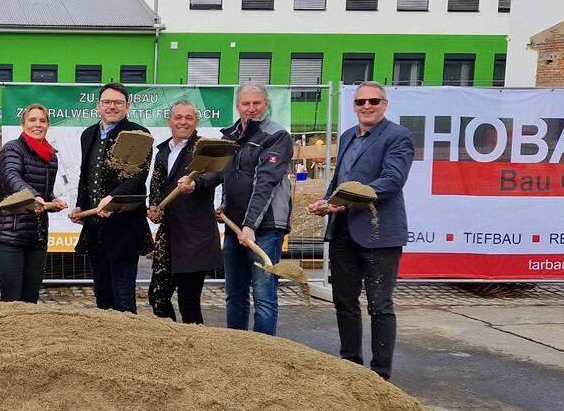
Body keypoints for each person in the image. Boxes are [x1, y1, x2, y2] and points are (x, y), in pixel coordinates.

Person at [309, 81, 414, 380]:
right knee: (344, 301)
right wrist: (327, 201)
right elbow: (341, 179)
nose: (366, 106)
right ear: (353, 105)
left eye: (373, 101)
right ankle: (351, 367)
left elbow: (392, 181)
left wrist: (344, 201)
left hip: (379, 233)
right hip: (343, 232)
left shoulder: (398, 136)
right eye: (360, 102)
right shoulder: (347, 137)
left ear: (385, 104)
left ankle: (380, 375)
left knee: (379, 305)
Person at [207, 82, 292, 335]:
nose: (251, 109)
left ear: (266, 105)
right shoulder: (230, 136)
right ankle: (237, 348)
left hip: (263, 228)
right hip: (236, 227)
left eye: (257, 103)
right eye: (246, 103)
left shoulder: (276, 136)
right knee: (235, 294)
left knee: (264, 296)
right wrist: (211, 193)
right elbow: (224, 174)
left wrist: (250, 225)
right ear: (238, 106)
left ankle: (264, 353)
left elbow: (264, 182)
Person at [69, 82, 152, 313]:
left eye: (117, 102)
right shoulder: (88, 134)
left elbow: (138, 177)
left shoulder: (138, 134)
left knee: (123, 298)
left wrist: (113, 198)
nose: (111, 106)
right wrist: (80, 206)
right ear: (98, 106)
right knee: (102, 296)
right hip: (96, 228)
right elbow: (86, 175)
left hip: (124, 229)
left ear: (127, 106)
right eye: (106, 102)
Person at [146, 101, 220, 324]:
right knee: (157, 297)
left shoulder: (204, 148)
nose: (183, 122)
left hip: (195, 238)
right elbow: (157, 189)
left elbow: (215, 175)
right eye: (178, 117)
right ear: (170, 121)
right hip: (168, 237)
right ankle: (174, 341)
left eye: (188, 118)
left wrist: (196, 184)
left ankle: (195, 349)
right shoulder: (162, 152)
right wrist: (154, 208)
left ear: (196, 122)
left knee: (189, 302)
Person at [0, 103, 67, 303]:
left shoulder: (51, 158)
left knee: (31, 297)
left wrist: (52, 201)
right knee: (13, 298)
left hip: (37, 237)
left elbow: (44, 194)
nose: (37, 125)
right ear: (23, 125)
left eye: (42, 120)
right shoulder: (12, 149)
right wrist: (34, 196)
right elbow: (11, 177)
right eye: (32, 120)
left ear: (48, 125)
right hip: (9, 236)